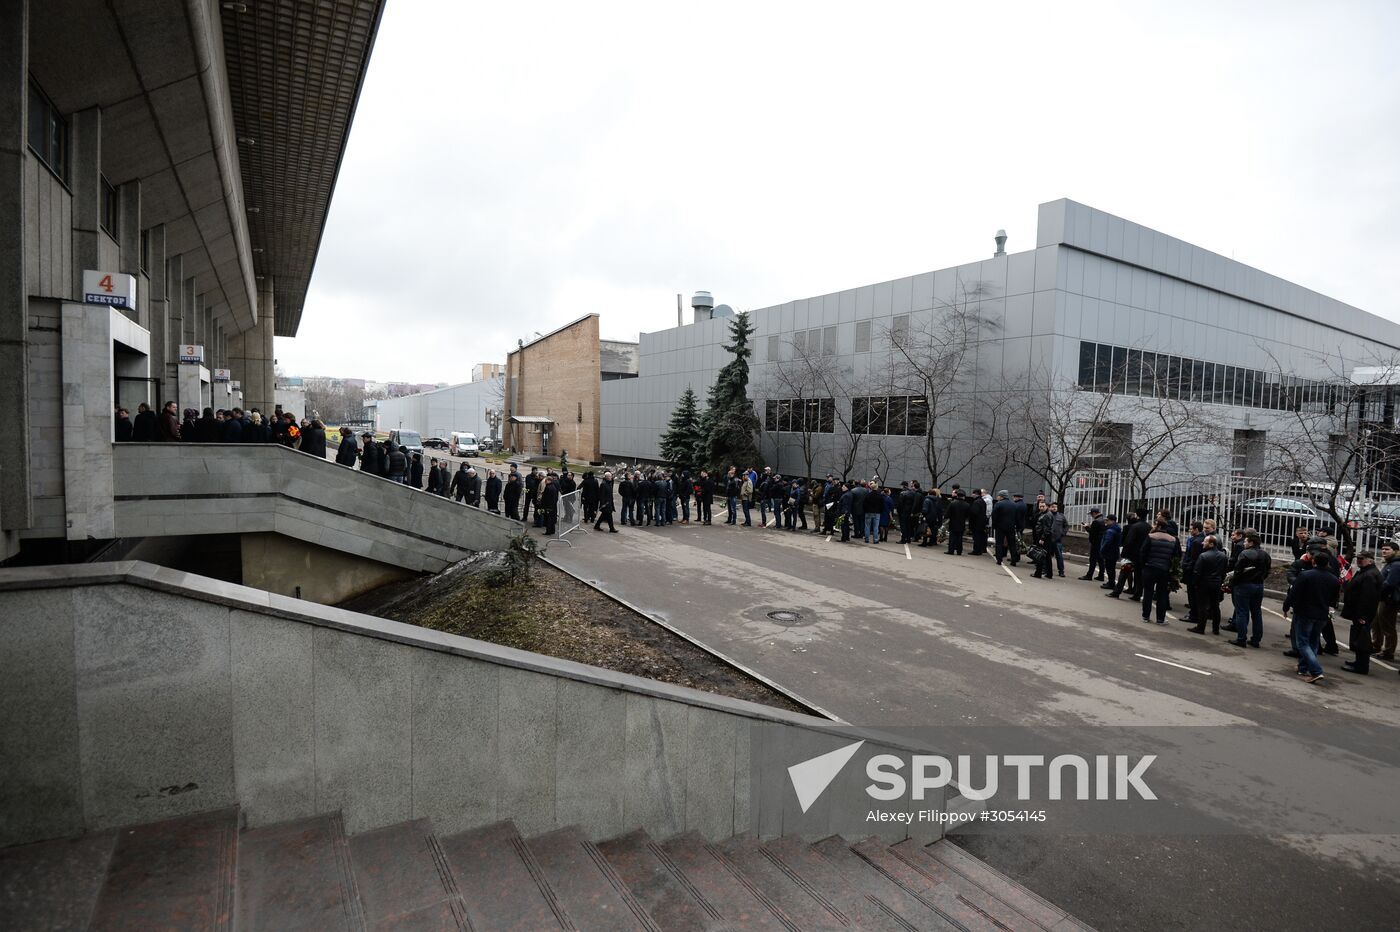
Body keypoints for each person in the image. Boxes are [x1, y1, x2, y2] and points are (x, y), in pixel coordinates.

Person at [1282, 552, 1340, 684]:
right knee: (1313, 642)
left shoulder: (1306, 575)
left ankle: (1316, 671)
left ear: (1314, 562)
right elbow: (1334, 599)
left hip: (1304, 612)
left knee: (1302, 642)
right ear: (1328, 563)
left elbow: (1294, 593)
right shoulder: (1333, 579)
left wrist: (1286, 607)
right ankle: (1303, 667)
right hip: (1322, 615)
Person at [1228, 530, 1272, 648]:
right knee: (1256, 612)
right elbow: (1267, 571)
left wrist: (1232, 583)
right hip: (1259, 585)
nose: (1244, 543)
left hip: (1244, 585)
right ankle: (1256, 639)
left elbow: (1237, 571)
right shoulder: (1265, 555)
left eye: (1246, 541)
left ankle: (1241, 638)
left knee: (1242, 612)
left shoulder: (1245, 554)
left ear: (1251, 543)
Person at [1341, 551, 1380, 675]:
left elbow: (1368, 597)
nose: (1358, 560)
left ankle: (1362, 666)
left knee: (1362, 639)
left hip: (1363, 614)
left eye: (1362, 559)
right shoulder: (1366, 572)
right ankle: (1359, 662)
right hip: (1359, 612)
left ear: (1370, 560)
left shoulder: (1369, 575)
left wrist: (1363, 616)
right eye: (1358, 558)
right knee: (1359, 637)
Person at [1188, 535, 1229, 634]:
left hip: (1204, 583)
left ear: (1211, 544)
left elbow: (1197, 572)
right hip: (1216, 583)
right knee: (1215, 606)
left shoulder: (1203, 556)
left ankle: (1200, 627)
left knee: (1202, 606)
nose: (1202, 543)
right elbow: (1224, 571)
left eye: (1205, 541)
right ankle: (1216, 629)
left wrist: (1195, 583)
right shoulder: (1223, 556)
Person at [1109, 510, 1149, 599]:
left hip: (1132, 554)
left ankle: (1117, 592)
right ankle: (1137, 594)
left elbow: (1128, 541)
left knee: (1124, 573)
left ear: (1137, 516)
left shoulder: (1135, 527)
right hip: (1143, 555)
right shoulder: (1149, 527)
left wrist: (1124, 554)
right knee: (1139, 575)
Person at [1373, 542, 1400, 661]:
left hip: (1389, 599)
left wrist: (1379, 592)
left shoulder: (1396, 565)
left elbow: (1390, 583)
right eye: (1383, 549)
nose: (1384, 551)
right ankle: (1376, 645)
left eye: (1387, 549)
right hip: (1383, 598)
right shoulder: (1390, 563)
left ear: (1395, 550)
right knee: (1377, 623)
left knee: (1387, 626)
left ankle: (1388, 652)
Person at [1181, 521, 1205, 623]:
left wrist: (1186, 567)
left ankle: (1193, 615)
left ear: (1196, 530)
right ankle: (1195, 614)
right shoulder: (1202, 539)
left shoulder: (1196, 541)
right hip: (1198, 572)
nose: (1189, 531)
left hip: (1192, 572)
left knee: (1192, 595)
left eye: (1191, 529)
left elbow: (1193, 558)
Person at [1030, 502, 1055, 580]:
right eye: (1040, 506)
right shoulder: (1044, 514)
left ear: (1047, 506)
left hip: (1044, 538)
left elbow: (1047, 528)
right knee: (1046, 556)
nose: (1041, 508)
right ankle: (1049, 574)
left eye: (1043, 506)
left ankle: (1038, 573)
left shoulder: (1047, 515)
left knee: (1040, 555)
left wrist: (1042, 538)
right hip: (1044, 537)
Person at [1080, 509, 1106, 580]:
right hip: (1101, 542)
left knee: (1093, 560)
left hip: (1095, 543)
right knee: (1100, 560)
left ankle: (1089, 575)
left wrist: (1086, 527)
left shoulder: (1096, 521)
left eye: (1091, 514)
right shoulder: (1103, 520)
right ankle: (1101, 575)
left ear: (1094, 513)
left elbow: (1092, 532)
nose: (1091, 516)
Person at [1099, 514, 1122, 588]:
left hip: (1109, 552)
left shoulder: (1110, 530)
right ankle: (1111, 582)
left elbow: (1107, 542)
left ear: (1112, 521)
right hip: (1114, 551)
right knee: (1111, 568)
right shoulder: (1117, 528)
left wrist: (1102, 550)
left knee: (1109, 568)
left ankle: (1111, 583)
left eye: (1107, 520)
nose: (1106, 522)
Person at [1047, 502, 1070, 576]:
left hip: (1057, 539)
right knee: (1047, 555)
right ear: (1049, 507)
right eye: (1052, 507)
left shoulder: (1061, 516)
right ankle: (1046, 569)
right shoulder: (1047, 515)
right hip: (1048, 539)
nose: (1054, 508)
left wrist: (1062, 533)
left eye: (1055, 507)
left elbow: (1066, 526)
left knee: (1059, 556)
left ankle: (1061, 571)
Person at [945, 490, 970, 555]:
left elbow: (947, 514)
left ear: (957, 496)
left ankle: (951, 550)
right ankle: (959, 551)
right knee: (959, 537)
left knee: (952, 537)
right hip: (962, 523)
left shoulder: (952, 503)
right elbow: (968, 515)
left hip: (953, 522)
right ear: (963, 496)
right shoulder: (967, 505)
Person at [968, 489, 989, 556]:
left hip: (976, 523)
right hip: (981, 522)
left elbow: (974, 513)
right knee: (979, 537)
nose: (972, 495)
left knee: (976, 537)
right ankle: (979, 550)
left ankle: (976, 551)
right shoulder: (982, 501)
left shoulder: (976, 502)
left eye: (973, 493)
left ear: (976, 494)